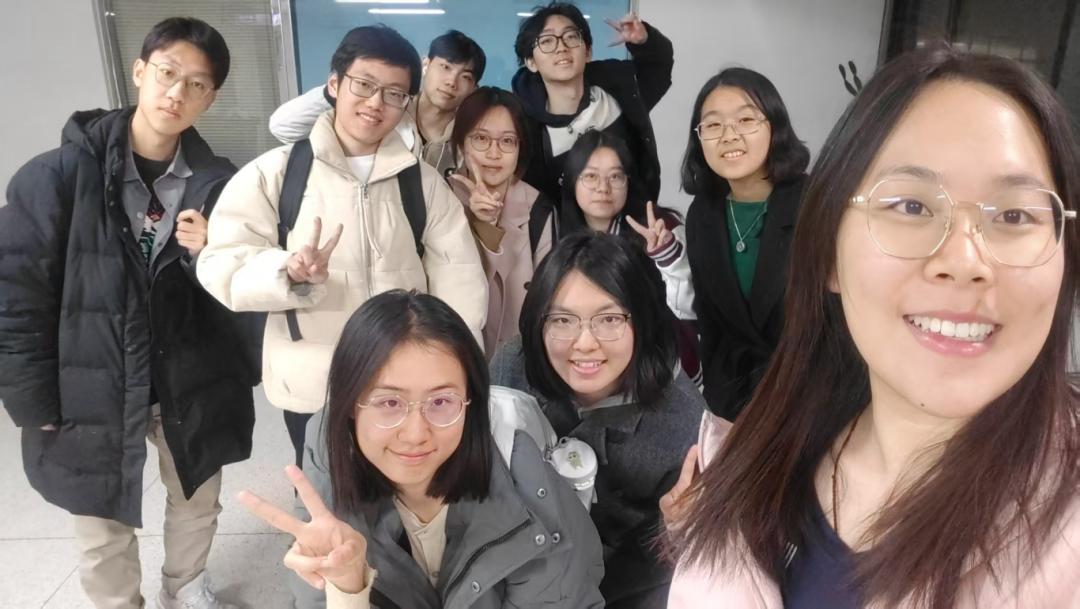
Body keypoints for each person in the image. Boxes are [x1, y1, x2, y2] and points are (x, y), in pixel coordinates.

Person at [664, 46, 1080, 608]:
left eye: (1014, 215)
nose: (964, 261)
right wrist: (700, 534)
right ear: (828, 256)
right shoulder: (768, 453)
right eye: (911, 206)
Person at [0, 17, 255, 609]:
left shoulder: (223, 185)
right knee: (99, 520)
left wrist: (210, 252)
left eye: (196, 84)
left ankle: (186, 587)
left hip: (187, 375)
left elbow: (241, 287)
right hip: (91, 379)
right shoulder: (56, 176)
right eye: (167, 73)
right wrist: (33, 401)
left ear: (211, 97)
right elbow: (15, 295)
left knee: (197, 495)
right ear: (140, 71)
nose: (176, 93)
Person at [197, 25, 486, 470]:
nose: (376, 103)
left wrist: (456, 367)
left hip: (403, 384)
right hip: (314, 382)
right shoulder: (276, 173)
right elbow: (222, 260)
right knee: (323, 489)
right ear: (334, 84)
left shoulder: (422, 183)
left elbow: (459, 277)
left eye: (393, 94)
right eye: (364, 85)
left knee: (403, 488)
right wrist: (286, 271)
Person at [238, 290, 605, 608]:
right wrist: (348, 587)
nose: (416, 434)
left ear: (471, 402)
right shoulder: (330, 459)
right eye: (389, 403)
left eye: (441, 402)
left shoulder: (524, 482)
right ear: (349, 404)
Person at [491, 232, 705, 608]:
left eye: (609, 319)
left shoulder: (683, 424)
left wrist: (677, 530)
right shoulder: (513, 366)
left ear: (643, 320)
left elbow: (671, 562)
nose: (585, 343)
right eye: (563, 320)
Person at [681, 67, 810, 420]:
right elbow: (712, 325)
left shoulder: (816, 205)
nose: (729, 135)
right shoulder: (702, 213)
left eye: (745, 120)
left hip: (809, 398)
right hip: (733, 403)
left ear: (775, 126)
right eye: (713, 125)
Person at [558, 129, 699, 383]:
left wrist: (666, 255)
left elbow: (691, 307)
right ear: (571, 181)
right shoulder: (558, 235)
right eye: (591, 176)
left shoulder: (660, 228)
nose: (603, 188)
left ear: (629, 182)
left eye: (615, 176)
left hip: (664, 368)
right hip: (593, 369)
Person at [512, 3, 673, 203]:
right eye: (546, 41)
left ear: (588, 52)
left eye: (571, 36)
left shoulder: (619, 92)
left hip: (634, 218)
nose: (561, 47)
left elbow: (659, 68)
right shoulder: (525, 127)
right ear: (531, 62)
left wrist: (644, 41)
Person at [269, 29, 486, 176]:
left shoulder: (471, 135)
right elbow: (283, 127)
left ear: (474, 88)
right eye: (445, 67)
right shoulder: (385, 108)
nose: (451, 82)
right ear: (425, 65)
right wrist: (339, 91)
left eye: (465, 76)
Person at [446, 86, 557, 356]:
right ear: (461, 143)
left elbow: (549, 301)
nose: (494, 153)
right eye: (481, 139)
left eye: (507, 141)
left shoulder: (538, 208)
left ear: (520, 148)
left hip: (520, 359)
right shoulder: (440, 198)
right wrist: (483, 225)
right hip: (455, 354)